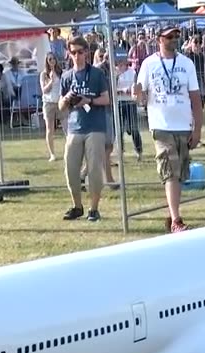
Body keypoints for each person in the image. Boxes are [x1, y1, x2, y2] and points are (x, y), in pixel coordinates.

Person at [134, 25, 204, 233]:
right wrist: (136, 94)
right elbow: (141, 96)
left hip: (183, 125)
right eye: (169, 36)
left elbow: (195, 98)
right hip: (161, 125)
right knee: (170, 171)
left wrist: (197, 128)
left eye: (176, 36)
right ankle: (176, 220)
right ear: (159, 39)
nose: (174, 39)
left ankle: (172, 214)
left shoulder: (187, 63)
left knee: (181, 173)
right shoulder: (149, 64)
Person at [59, 37, 111, 222]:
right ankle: (77, 206)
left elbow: (106, 99)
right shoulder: (66, 76)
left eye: (80, 52)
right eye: (73, 52)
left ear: (87, 52)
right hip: (74, 127)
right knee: (70, 168)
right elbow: (60, 106)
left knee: (95, 169)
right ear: (69, 53)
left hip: (95, 126)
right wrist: (66, 99)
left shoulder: (97, 74)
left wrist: (89, 100)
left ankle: (94, 208)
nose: (77, 56)